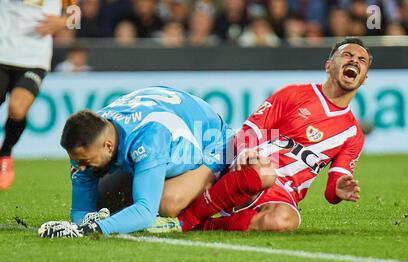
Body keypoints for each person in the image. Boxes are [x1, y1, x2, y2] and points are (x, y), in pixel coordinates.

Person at [149, 37, 371, 233]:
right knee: (168, 204)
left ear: (364, 78)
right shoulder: (294, 94)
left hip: (282, 193)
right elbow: (250, 130)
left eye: (362, 60)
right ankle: (183, 219)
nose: (354, 61)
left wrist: (339, 188)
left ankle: (201, 224)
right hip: (249, 169)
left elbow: (332, 189)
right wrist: (247, 152)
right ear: (329, 65)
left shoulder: (352, 133)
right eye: (347, 55)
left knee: (286, 220)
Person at [39, 86, 258, 238]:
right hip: (167, 132)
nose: (80, 168)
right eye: (76, 161)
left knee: (167, 204)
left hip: (213, 142)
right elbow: (81, 209)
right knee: (103, 202)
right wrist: (82, 222)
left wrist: (90, 230)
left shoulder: (149, 138)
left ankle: (204, 199)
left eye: (85, 162)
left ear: (108, 146)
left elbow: (144, 212)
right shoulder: (92, 134)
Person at [0, 0, 73, 190]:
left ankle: (5, 154)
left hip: (33, 59)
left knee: (17, 109)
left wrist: (63, 22)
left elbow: (75, 14)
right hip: (2, 52)